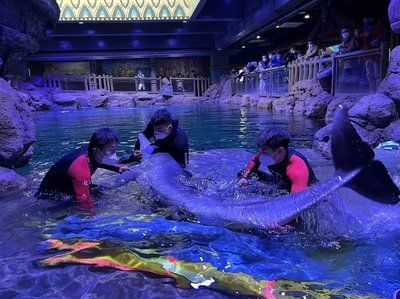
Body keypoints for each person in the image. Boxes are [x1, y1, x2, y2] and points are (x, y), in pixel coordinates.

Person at [36, 128, 130, 209]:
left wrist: (118, 168)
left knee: (101, 191)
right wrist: (94, 218)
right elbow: (84, 201)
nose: (114, 154)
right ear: (96, 150)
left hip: (68, 188)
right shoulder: (80, 168)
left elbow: (101, 161)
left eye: (115, 150)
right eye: (111, 151)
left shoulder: (91, 151)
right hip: (51, 199)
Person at [238, 127, 317, 194]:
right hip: (280, 181)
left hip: (301, 189)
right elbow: (254, 161)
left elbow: (296, 201)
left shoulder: (296, 167)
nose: (260, 154)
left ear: (280, 151)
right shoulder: (269, 153)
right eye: (261, 150)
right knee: (242, 173)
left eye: (264, 151)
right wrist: (244, 178)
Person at [122, 109, 189, 168]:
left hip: (172, 146)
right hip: (159, 143)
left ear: (170, 128)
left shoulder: (180, 142)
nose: (155, 133)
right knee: (129, 160)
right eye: (154, 129)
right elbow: (144, 137)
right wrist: (136, 151)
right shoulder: (155, 124)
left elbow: (183, 166)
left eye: (160, 130)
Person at [356, 17, 387, 92]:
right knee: (369, 75)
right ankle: (372, 91)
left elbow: (381, 38)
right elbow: (360, 44)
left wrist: (375, 41)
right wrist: (357, 36)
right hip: (367, 57)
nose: (366, 21)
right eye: (365, 20)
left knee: (377, 74)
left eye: (368, 19)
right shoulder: (363, 30)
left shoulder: (378, 28)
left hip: (376, 56)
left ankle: (379, 91)